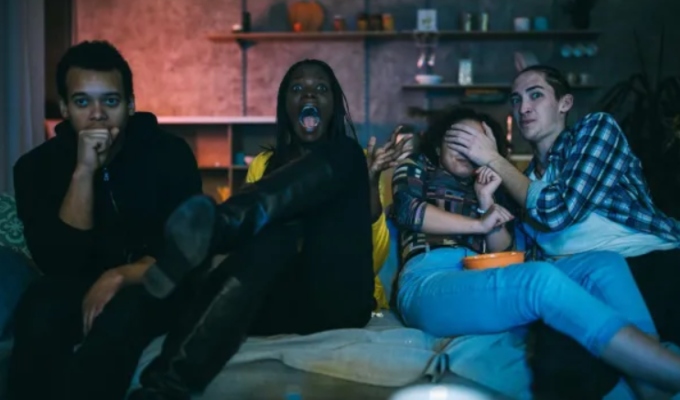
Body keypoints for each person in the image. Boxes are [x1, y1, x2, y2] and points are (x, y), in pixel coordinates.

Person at [129, 59, 410, 400]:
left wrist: (368, 181)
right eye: (298, 88)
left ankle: (217, 227)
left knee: (345, 154)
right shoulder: (264, 165)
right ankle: (165, 387)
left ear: (334, 105)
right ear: (285, 105)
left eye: (321, 89)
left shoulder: (353, 160)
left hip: (336, 299)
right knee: (274, 236)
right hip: (277, 301)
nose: (309, 94)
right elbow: (250, 255)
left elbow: (374, 258)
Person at [391, 107, 680, 396]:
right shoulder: (419, 166)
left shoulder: (494, 186)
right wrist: (479, 224)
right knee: (539, 278)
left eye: (475, 143)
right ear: (438, 145)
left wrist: (486, 201)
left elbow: (506, 251)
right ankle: (670, 373)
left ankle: (650, 378)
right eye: (458, 140)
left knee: (604, 263)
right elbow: (408, 211)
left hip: (484, 280)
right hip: (430, 278)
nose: (466, 150)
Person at [8, 40, 202, 400]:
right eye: (82, 102)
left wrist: (120, 275)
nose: (97, 115)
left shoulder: (170, 154)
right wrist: (83, 172)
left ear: (130, 105)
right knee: (39, 308)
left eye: (110, 101)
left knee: (126, 312)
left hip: (152, 281)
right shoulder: (35, 168)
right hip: (73, 285)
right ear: (64, 108)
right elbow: (59, 263)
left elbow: (188, 250)